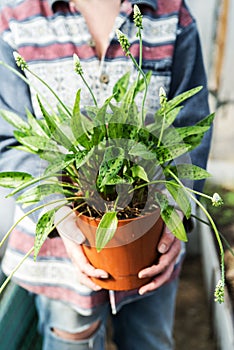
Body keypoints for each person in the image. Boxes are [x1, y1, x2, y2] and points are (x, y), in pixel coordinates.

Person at [0, 1, 212, 349]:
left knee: (150, 340)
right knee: (72, 340)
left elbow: (190, 127)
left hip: (151, 252)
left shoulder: (171, 14)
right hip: (57, 261)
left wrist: (177, 209)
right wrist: (60, 215)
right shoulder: (16, 18)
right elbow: (12, 139)